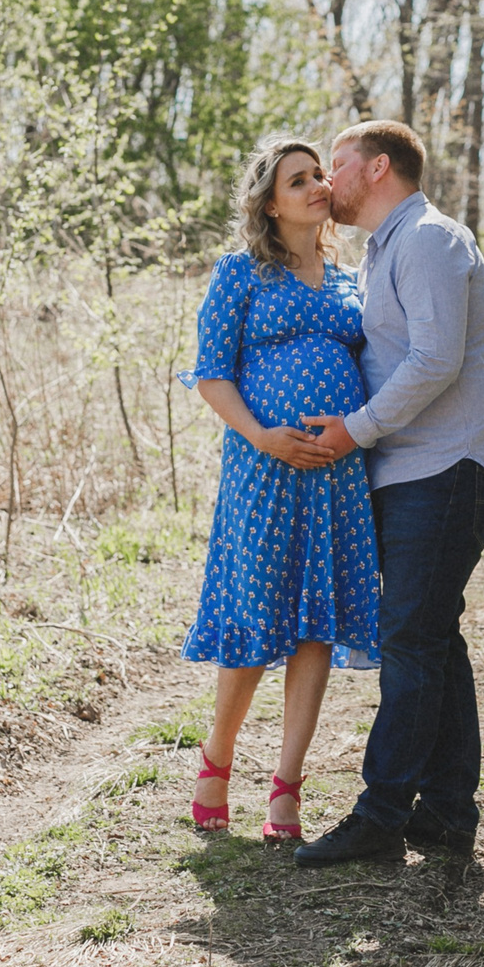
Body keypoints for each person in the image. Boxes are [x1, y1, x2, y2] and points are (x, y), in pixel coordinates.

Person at [293, 120, 484, 866]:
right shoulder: (386, 248)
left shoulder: (428, 239)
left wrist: (354, 430)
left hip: (450, 465)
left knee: (410, 640)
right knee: (431, 635)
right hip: (418, 468)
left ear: (378, 167)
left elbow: (435, 359)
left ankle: (382, 813)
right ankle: (448, 812)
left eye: (338, 164)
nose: (329, 181)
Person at [179, 138, 381, 842]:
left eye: (320, 173)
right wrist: (262, 435)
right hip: (263, 470)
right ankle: (218, 758)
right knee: (253, 613)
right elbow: (211, 372)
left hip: (337, 478)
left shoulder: (353, 277)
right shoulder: (241, 273)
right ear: (271, 200)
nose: (318, 184)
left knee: (317, 626)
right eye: (299, 179)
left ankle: (287, 786)